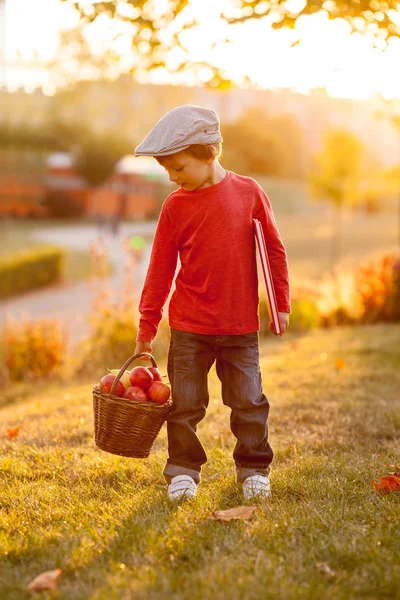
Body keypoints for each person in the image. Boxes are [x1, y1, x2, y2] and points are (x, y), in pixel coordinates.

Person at [133, 105, 290, 502]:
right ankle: (183, 471)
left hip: (240, 327)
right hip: (188, 327)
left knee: (249, 401)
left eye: (179, 167)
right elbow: (160, 270)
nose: (172, 176)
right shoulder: (175, 206)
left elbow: (274, 249)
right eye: (167, 169)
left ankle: (254, 467)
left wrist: (280, 303)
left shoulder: (249, 192)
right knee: (184, 406)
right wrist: (146, 329)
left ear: (208, 153)